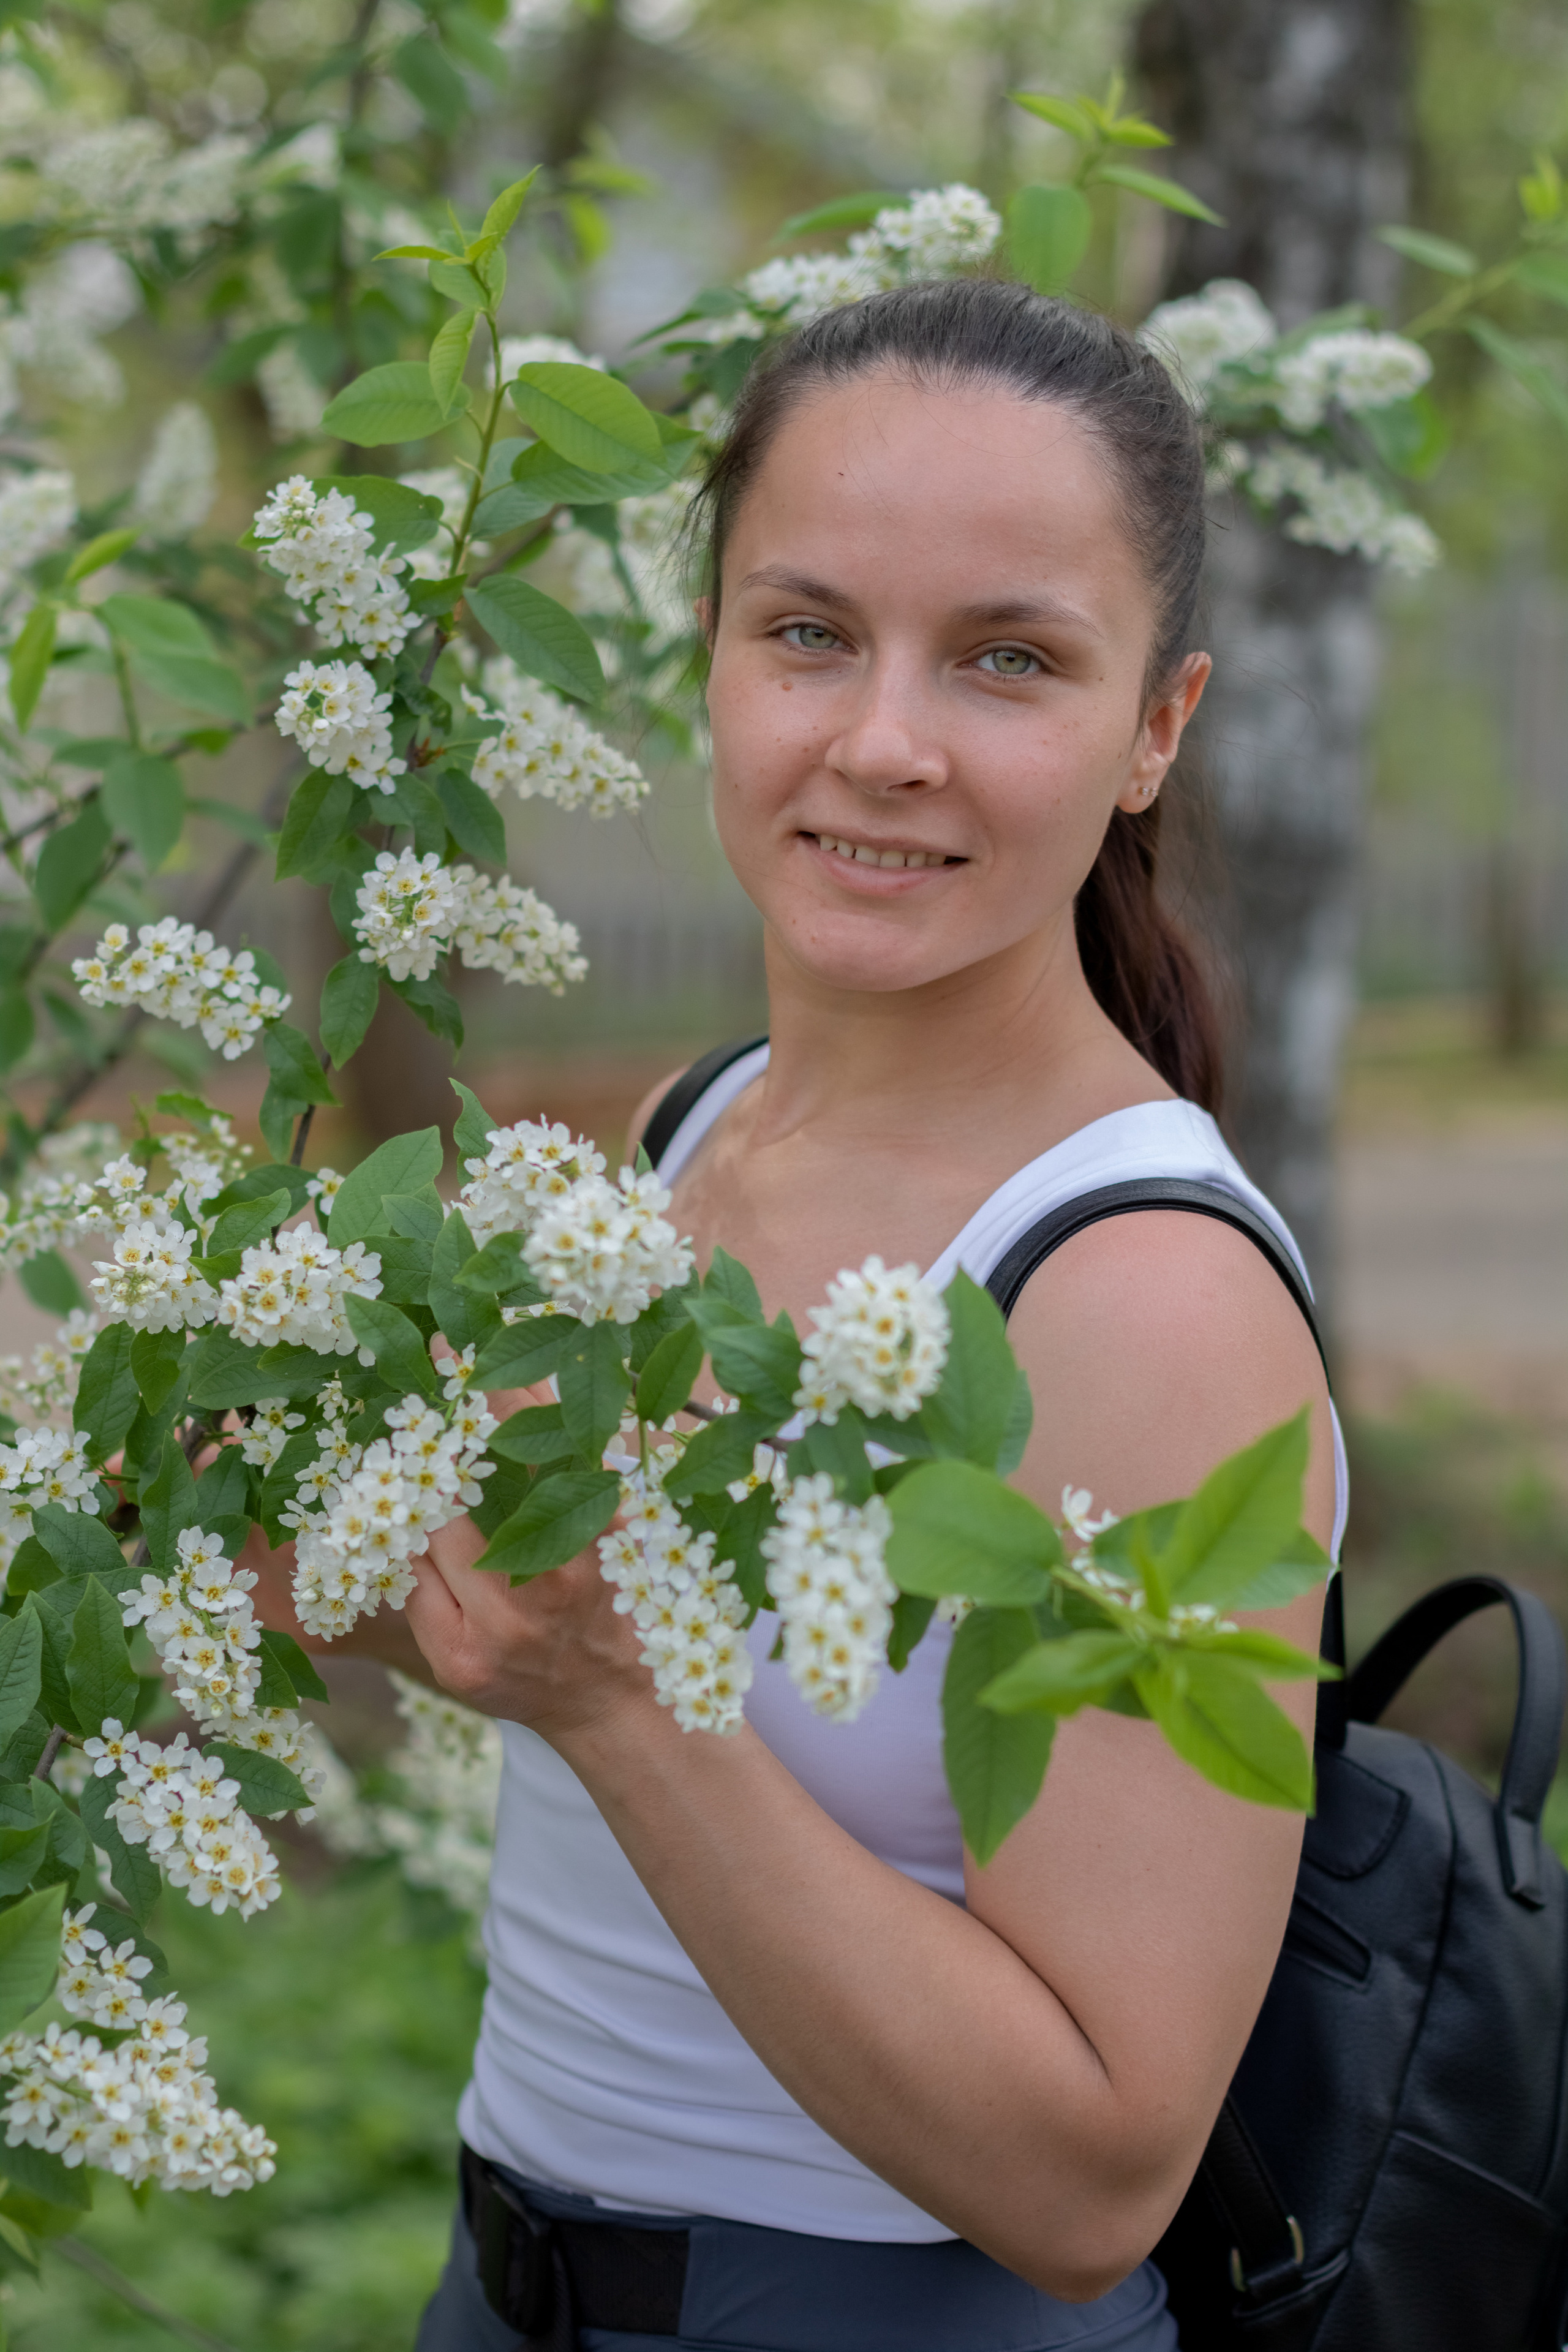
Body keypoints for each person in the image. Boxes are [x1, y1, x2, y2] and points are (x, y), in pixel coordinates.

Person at [252, 278, 1342, 2351]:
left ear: (1157, 728)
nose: (884, 744)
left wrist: (614, 1708)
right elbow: (595, 1646)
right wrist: (301, 1548)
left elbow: (1093, 2179)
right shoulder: (697, 1127)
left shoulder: (1144, 1298)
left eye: (1009, 658)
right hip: (509, 2279)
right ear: (714, 659)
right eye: (811, 632)